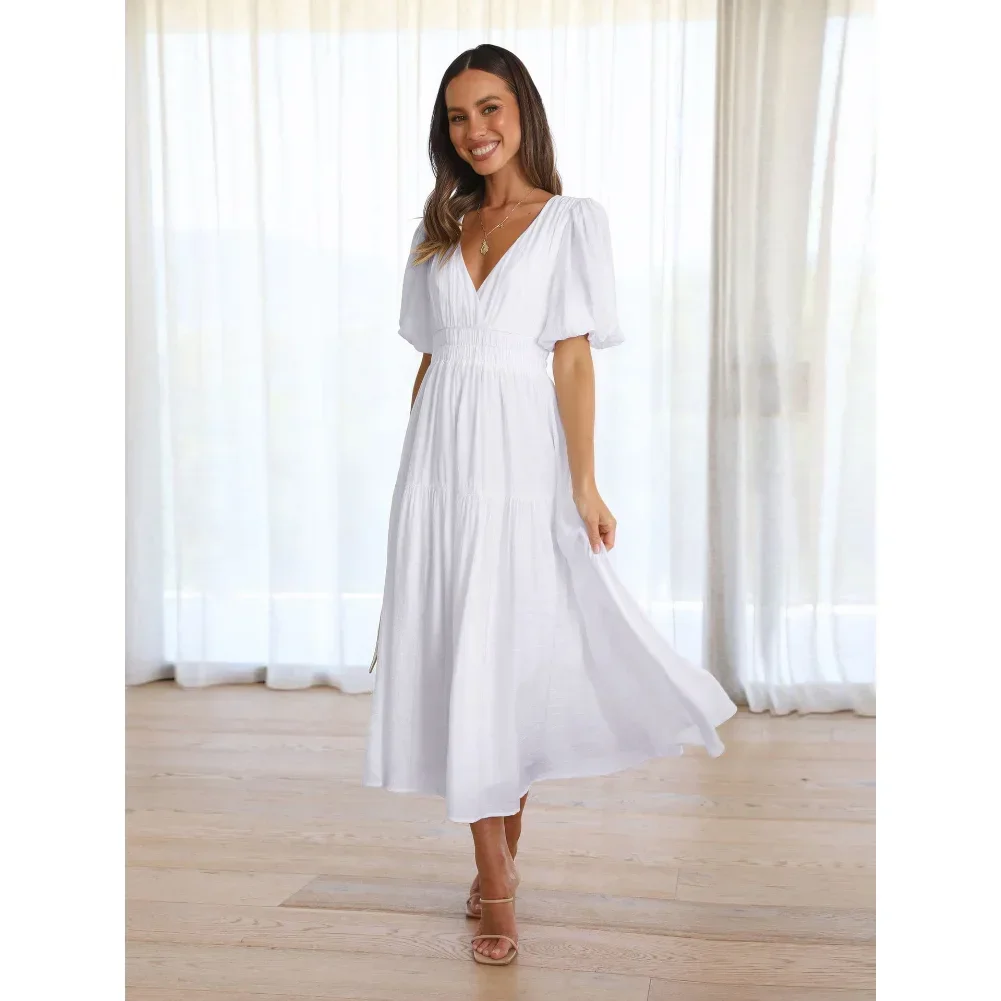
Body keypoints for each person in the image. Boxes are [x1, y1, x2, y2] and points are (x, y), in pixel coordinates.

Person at [363, 43, 737, 967]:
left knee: (510, 659)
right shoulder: (439, 230)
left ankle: (499, 857)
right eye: (457, 117)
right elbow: (430, 360)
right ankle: (494, 875)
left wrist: (584, 482)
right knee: (460, 654)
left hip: (518, 462)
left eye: (489, 108)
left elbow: (571, 359)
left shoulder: (570, 221)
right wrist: (412, 485)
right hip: (437, 468)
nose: (475, 130)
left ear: (522, 110)